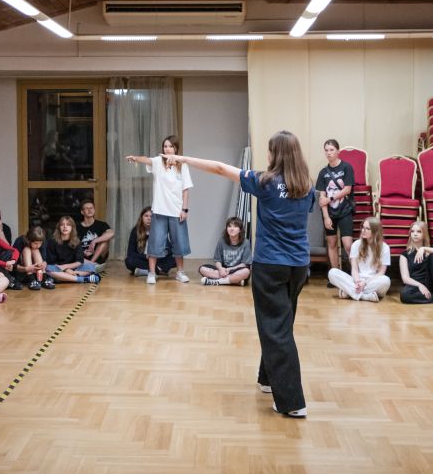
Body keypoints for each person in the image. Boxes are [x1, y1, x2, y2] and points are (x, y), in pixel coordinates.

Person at [164, 130, 315, 418]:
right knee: (281, 324)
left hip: (271, 265)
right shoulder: (306, 186)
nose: (267, 155)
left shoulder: (265, 182)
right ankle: (268, 379)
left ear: (275, 154)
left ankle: (292, 402)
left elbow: (220, 168)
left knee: (276, 329)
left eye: (269, 150)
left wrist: (183, 159)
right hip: (298, 267)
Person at [126, 135, 193, 284]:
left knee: (179, 244)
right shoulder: (158, 162)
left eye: (170, 146)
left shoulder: (182, 165)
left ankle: (180, 272)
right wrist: (135, 158)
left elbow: (186, 190)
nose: (167, 149)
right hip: (159, 211)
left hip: (177, 212)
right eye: (165, 146)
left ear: (176, 148)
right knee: (155, 244)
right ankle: (151, 273)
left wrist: (185, 210)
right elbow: (147, 160)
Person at [327, 217, 392, 302]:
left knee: (386, 281)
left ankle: (350, 292)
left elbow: (381, 272)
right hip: (356, 280)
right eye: (363, 227)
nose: (363, 230)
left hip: (373, 282)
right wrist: (358, 281)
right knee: (332, 272)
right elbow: (354, 269)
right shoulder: (356, 244)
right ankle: (365, 296)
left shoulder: (385, 248)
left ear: (375, 231)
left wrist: (365, 283)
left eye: (367, 229)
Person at [315, 139, 355, 275]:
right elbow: (322, 198)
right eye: (326, 150)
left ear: (338, 151)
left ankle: (356, 274)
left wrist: (330, 198)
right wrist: (326, 217)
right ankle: (336, 275)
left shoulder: (346, 167)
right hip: (330, 213)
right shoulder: (323, 173)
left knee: (348, 244)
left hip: (345, 210)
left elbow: (347, 189)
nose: (329, 153)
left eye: (331, 150)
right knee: (331, 243)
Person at [44, 216, 101, 284]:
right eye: (62, 224)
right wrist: (66, 270)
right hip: (58, 268)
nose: (65, 227)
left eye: (68, 225)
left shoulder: (76, 241)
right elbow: (51, 262)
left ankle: (65, 277)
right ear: (59, 227)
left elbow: (79, 261)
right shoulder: (52, 241)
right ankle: (81, 279)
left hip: (73, 268)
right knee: (48, 269)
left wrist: (66, 267)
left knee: (90, 267)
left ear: (72, 228)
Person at [199, 217, 253, 286]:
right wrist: (220, 269)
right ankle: (235, 281)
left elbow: (245, 264)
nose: (232, 229)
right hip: (223, 270)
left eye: (235, 226)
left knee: (246, 271)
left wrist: (230, 269)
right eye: (229, 226)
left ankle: (217, 281)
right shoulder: (222, 241)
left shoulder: (246, 242)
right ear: (226, 229)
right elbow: (217, 260)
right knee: (202, 269)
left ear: (240, 230)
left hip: (237, 270)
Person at [125, 207, 175, 277]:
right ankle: (156, 270)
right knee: (129, 261)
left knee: (175, 258)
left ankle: (144, 271)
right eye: (146, 216)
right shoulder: (135, 231)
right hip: (143, 259)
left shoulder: (159, 230)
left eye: (151, 216)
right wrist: (146, 256)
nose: (149, 218)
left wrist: (159, 254)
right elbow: (130, 253)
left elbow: (169, 250)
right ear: (142, 218)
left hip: (157, 259)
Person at [76, 200, 114, 266]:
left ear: (94, 210)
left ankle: (91, 264)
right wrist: (82, 252)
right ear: (82, 212)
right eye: (86, 208)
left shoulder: (102, 224)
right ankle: (91, 265)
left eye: (91, 208)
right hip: (83, 255)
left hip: (98, 255)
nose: (89, 210)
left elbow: (111, 233)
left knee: (105, 240)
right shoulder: (77, 227)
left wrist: (94, 241)